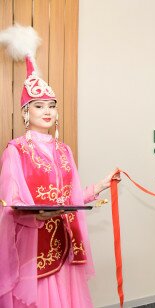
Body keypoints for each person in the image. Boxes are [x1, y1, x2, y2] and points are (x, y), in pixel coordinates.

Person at [0, 25, 119, 307]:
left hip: (64, 242)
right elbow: (8, 202)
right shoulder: (16, 150)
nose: (47, 112)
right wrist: (32, 216)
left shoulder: (63, 150)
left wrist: (100, 185)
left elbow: (71, 196)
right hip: (33, 245)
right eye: (39, 106)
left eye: (51, 106)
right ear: (27, 112)